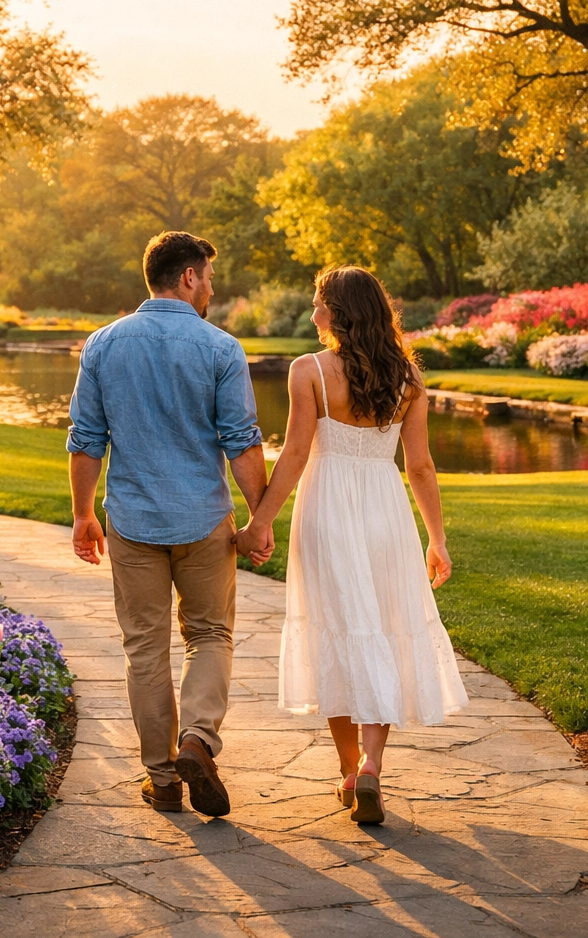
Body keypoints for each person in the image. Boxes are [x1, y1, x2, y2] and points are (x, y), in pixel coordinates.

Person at [236, 266, 468, 825]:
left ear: (338, 311)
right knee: (383, 631)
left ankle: (347, 772)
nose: (313, 315)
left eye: (319, 304)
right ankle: (372, 768)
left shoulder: (309, 371)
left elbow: (293, 455)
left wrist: (260, 522)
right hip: (385, 511)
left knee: (335, 631)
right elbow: (420, 466)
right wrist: (436, 539)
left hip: (327, 511)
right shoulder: (409, 378)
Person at [66, 230, 270, 818]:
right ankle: (197, 741)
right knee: (210, 635)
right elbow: (241, 441)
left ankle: (162, 782)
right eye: (207, 276)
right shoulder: (220, 348)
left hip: (132, 522)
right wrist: (258, 516)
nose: (211, 288)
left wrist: (83, 515)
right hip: (204, 519)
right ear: (187, 277)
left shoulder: (103, 345)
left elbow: (86, 440)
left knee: (146, 651)